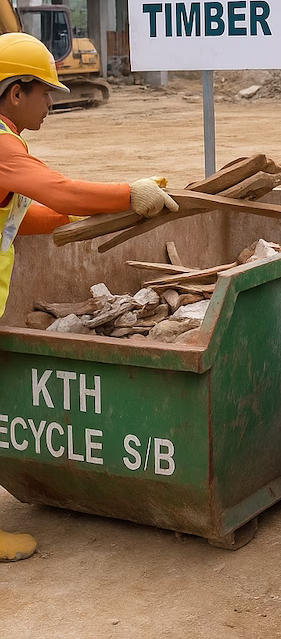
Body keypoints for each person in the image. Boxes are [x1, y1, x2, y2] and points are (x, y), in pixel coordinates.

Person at [0, 32, 178, 561]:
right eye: (45, 92)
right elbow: (57, 189)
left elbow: (28, 217)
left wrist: (94, 213)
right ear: (15, 93)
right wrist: (129, 193)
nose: (52, 101)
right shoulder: (3, 145)